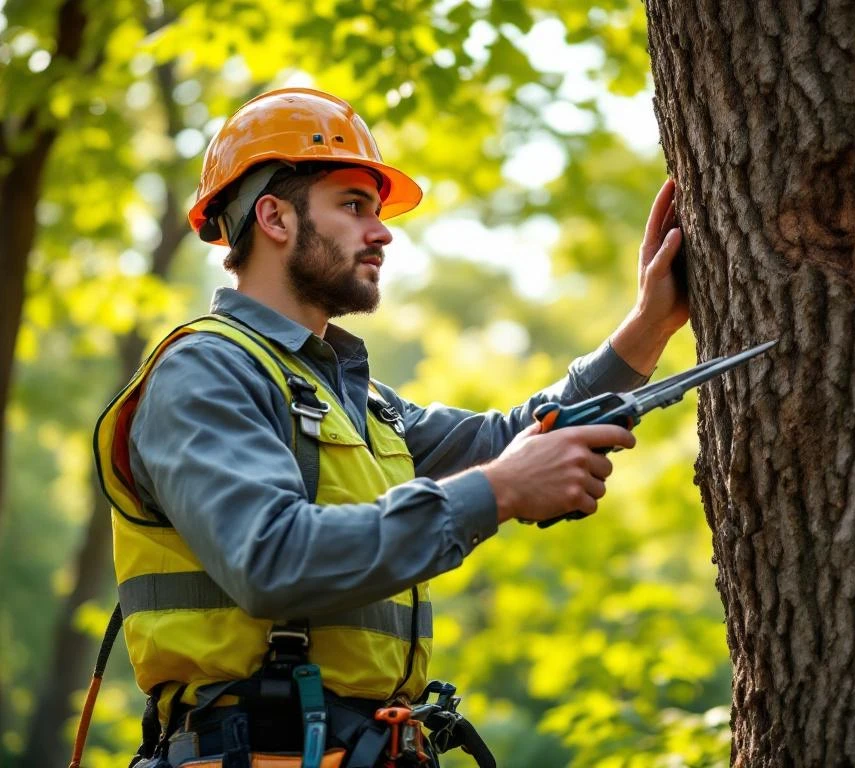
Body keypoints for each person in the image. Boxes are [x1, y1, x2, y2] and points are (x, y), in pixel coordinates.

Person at [94, 87, 689, 767]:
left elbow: (510, 442)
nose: (382, 232)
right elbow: (269, 560)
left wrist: (646, 330)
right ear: (274, 217)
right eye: (354, 207)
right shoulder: (205, 372)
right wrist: (499, 491)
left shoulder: (358, 398)